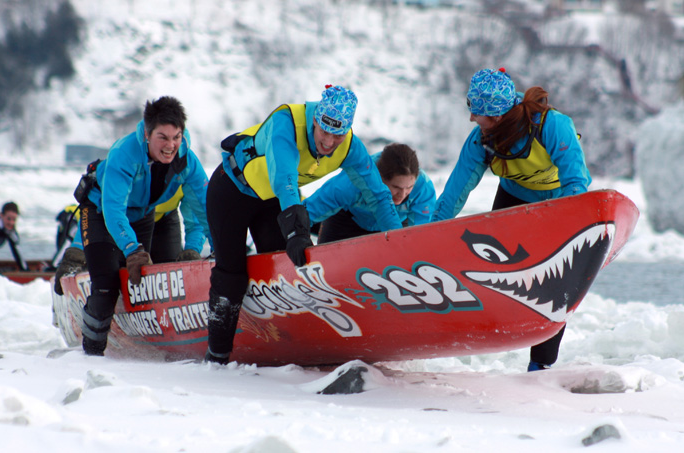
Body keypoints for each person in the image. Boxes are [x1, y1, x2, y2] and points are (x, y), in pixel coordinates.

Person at [204, 85, 402, 364]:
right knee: (231, 275)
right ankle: (217, 356)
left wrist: (400, 241)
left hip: (270, 201)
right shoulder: (286, 124)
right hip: (232, 191)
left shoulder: (349, 146)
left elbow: (378, 195)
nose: (330, 141)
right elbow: (285, 181)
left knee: (284, 271)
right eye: (325, 131)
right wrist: (297, 231)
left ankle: (276, 345)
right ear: (315, 120)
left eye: (339, 133)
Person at [433, 68, 591, 372]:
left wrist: (561, 224)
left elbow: (576, 180)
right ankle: (495, 331)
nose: (471, 120)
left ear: (497, 117)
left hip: (559, 204)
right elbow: (455, 192)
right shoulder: (481, 140)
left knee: (554, 283)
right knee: (493, 268)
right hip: (514, 200)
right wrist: (425, 233)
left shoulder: (552, 125)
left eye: (477, 114)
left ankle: (541, 364)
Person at [76, 96, 211, 356]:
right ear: (147, 134)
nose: (171, 146)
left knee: (144, 282)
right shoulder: (124, 154)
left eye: (177, 137)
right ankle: (90, 355)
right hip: (100, 212)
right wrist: (132, 249)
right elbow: (114, 209)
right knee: (106, 286)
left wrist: (223, 247)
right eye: (163, 137)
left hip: (142, 215)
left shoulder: (187, 160)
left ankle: (154, 347)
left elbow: (206, 208)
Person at [51, 187, 195, 296]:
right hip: (120, 220)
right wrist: (76, 252)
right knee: (114, 275)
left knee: (170, 279)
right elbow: (95, 212)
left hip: (164, 220)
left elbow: (197, 217)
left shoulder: (186, 164)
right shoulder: (125, 159)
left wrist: (192, 249)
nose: (170, 147)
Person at [305, 143, 436, 244]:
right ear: (381, 179)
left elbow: (419, 234)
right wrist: (296, 234)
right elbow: (312, 209)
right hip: (348, 220)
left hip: (397, 224)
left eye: (409, 187)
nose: (402, 195)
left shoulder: (424, 188)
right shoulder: (352, 181)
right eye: (396, 187)